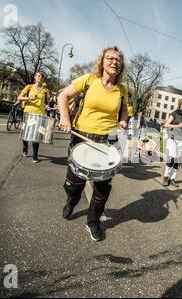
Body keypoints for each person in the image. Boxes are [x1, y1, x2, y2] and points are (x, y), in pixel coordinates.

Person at [58, 46, 128, 242]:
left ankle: (94, 221)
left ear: (121, 65)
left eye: (118, 59)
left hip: (108, 140)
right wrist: (65, 117)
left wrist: (123, 121)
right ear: (102, 61)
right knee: (73, 182)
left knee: (103, 186)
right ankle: (72, 199)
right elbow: (63, 95)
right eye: (110, 58)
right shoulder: (88, 80)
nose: (114, 62)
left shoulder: (123, 90)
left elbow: (124, 111)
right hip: (81, 135)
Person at [16, 71, 50, 163]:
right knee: (25, 134)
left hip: (40, 115)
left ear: (43, 79)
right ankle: (25, 146)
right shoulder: (29, 87)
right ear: (35, 77)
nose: (40, 78)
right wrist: (29, 98)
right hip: (28, 113)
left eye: (42, 77)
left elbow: (47, 103)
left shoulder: (45, 90)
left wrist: (47, 106)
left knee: (36, 136)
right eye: (38, 76)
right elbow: (19, 98)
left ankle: (35, 156)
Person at [163, 97, 182, 187]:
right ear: (180, 104)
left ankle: (172, 178)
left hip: (181, 139)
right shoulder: (174, 113)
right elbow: (166, 125)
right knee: (171, 158)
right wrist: (176, 126)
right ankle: (166, 177)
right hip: (173, 138)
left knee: (178, 160)